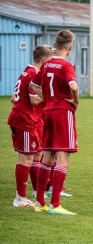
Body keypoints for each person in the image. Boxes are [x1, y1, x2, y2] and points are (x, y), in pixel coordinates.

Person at [30, 30, 80, 215]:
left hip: (48, 112)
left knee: (47, 156)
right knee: (63, 157)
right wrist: (76, 101)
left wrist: (49, 98)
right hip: (62, 113)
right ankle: (55, 204)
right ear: (70, 47)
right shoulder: (66, 65)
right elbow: (73, 86)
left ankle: (40, 202)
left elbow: (32, 85)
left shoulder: (47, 63)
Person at [8, 45, 52, 208]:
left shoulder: (27, 70)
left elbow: (14, 98)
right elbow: (34, 100)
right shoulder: (34, 74)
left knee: (36, 156)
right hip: (25, 121)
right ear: (45, 61)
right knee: (26, 159)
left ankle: (36, 191)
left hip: (28, 120)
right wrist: (51, 94)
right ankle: (19, 198)